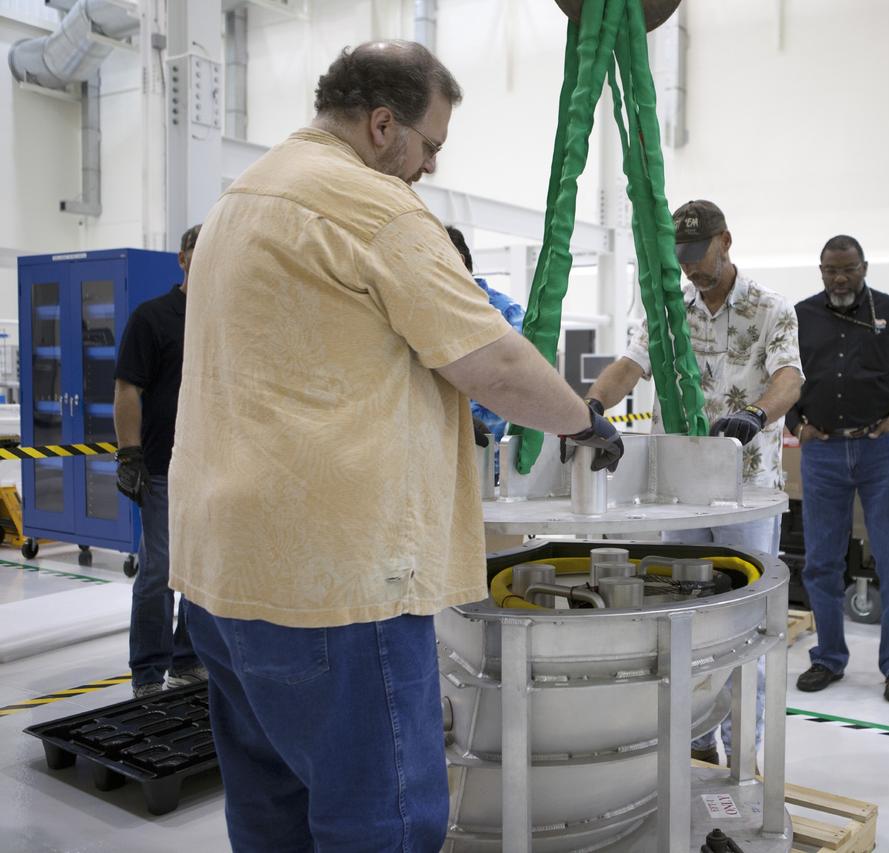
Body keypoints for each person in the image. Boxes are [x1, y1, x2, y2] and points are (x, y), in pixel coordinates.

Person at [167, 41, 623, 852]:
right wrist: (582, 417)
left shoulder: (243, 196)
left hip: (218, 573)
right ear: (384, 126)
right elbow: (497, 362)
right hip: (336, 585)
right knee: (382, 822)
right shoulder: (370, 203)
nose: (426, 168)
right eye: (430, 147)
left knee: (270, 810)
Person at [584, 198, 804, 767]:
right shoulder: (667, 307)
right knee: (682, 621)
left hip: (744, 492)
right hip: (677, 496)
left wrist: (756, 414)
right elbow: (630, 365)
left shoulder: (770, 309)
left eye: (698, 254)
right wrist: (583, 410)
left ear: (725, 241)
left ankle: (742, 754)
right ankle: (695, 743)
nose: (689, 268)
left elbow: (789, 377)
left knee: (743, 625)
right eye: (680, 257)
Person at [785, 234, 889, 704]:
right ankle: (828, 658)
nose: (840, 278)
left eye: (849, 269)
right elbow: (779, 372)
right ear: (820, 271)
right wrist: (797, 422)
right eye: (831, 270)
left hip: (880, 449)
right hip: (823, 453)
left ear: (865, 267)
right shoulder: (801, 317)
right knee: (821, 564)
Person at [113, 223, 207, 699]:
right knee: (161, 570)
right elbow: (129, 386)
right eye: (198, 249)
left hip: (212, 469)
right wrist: (129, 453)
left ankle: (188, 660)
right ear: (182, 257)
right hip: (163, 467)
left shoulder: (222, 321)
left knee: (201, 569)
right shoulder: (153, 317)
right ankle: (149, 671)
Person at [445, 224, 526, 446]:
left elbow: (516, 381)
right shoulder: (426, 312)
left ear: (458, 261)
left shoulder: (505, 313)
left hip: (490, 457)